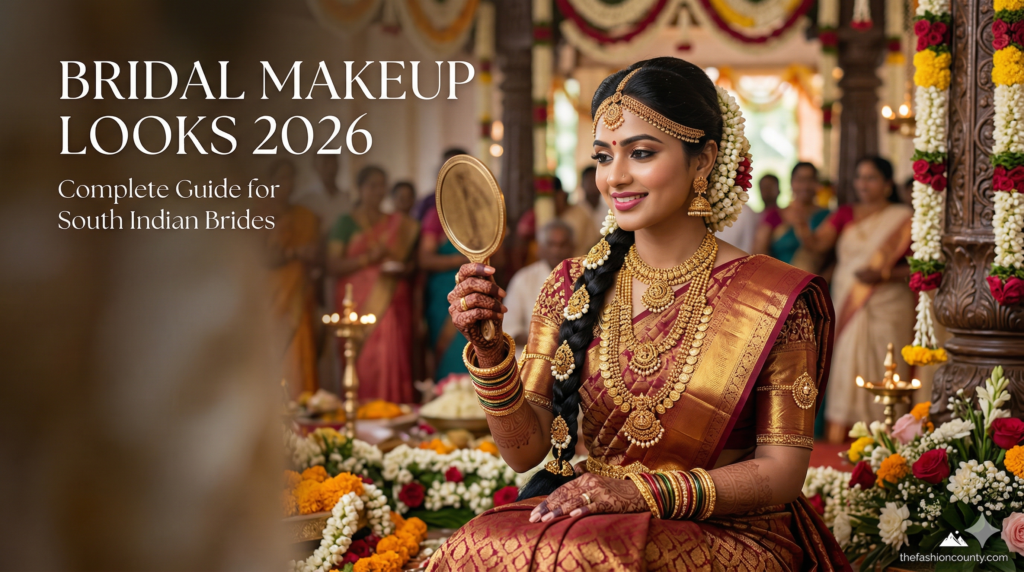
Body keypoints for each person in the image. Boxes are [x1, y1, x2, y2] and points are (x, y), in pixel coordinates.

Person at [427, 58, 847, 571]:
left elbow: (782, 473)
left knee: (591, 560)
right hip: (596, 515)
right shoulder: (569, 286)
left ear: (704, 160)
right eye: (604, 157)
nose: (615, 177)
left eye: (641, 153)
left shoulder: (774, 296)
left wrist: (641, 494)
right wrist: (491, 351)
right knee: (473, 546)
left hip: (731, 529)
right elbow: (525, 452)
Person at [792, 156, 914, 443]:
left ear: (887, 184)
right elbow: (819, 244)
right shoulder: (845, 213)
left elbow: (919, 267)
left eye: (871, 178)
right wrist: (801, 226)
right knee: (847, 362)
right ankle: (845, 438)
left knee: (888, 362)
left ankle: (889, 436)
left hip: (890, 303)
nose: (862, 184)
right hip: (849, 299)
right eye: (859, 177)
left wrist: (884, 274)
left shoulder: (903, 218)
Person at [327, 166, 420, 403]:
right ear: (360, 188)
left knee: (393, 354)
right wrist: (369, 258)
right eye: (372, 185)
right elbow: (333, 265)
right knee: (362, 359)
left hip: (391, 298)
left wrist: (403, 268)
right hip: (357, 302)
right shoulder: (345, 223)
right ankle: (361, 411)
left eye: (382, 185)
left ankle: (394, 409)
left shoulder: (397, 223)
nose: (379, 191)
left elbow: (409, 264)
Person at [265, 159, 321, 398]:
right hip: (269, 295)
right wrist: (294, 252)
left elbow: (319, 253)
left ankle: (302, 413)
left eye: (291, 178)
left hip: (298, 293)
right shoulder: (256, 213)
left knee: (299, 354)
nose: (287, 184)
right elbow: (256, 256)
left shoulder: (305, 216)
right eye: (281, 178)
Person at [504, 220, 575, 359]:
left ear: (572, 247)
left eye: (562, 245)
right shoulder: (523, 279)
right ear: (540, 248)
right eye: (551, 244)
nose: (557, 250)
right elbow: (509, 328)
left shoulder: (585, 277)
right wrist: (546, 341)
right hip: (532, 361)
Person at [753, 162, 830, 273]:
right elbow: (759, 252)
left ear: (817, 183)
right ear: (791, 182)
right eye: (800, 180)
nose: (805, 186)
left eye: (810, 180)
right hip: (778, 282)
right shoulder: (774, 215)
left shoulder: (827, 216)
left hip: (817, 286)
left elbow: (834, 260)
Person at [295, 154, 352, 234]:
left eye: (333, 163)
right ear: (315, 166)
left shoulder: (347, 199)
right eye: (325, 163)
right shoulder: (306, 201)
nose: (330, 168)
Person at [554, 177, 601, 258]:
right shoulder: (540, 217)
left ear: (562, 194)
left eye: (553, 196)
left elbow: (594, 244)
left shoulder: (581, 214)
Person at [580, 165, 607, 231]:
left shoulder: (609, 212)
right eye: (590, 182)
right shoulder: (574, 212)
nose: (593, 186)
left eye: (596, 182)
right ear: (582, 184)